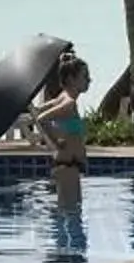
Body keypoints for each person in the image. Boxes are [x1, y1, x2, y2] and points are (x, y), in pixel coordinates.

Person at [27, 50, 91, 206]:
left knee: (68, 214)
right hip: (68, 167)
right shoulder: (68, 103)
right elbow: (41, 119)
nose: (89, 81)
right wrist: (56, 142)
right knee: (71, 214)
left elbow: (36, 112)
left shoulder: (61, 97)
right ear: (71, 79)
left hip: (68, 166)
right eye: (85, 77)